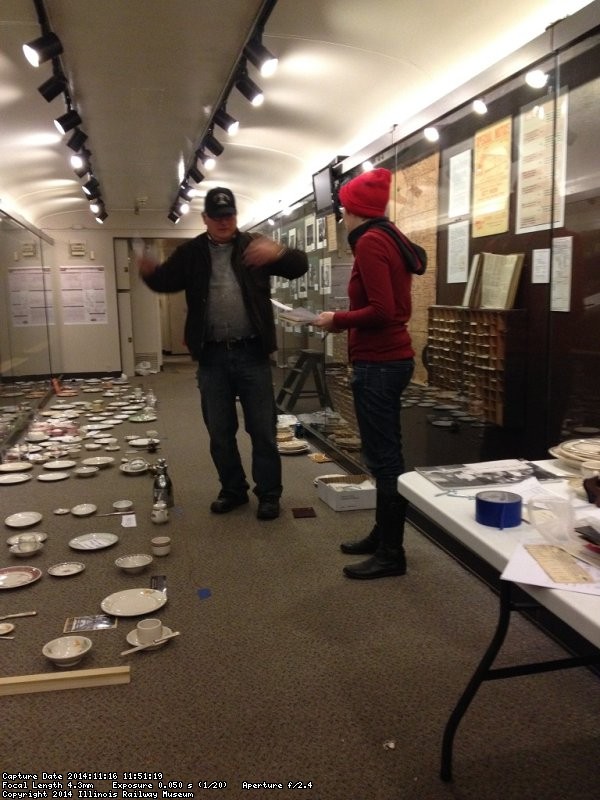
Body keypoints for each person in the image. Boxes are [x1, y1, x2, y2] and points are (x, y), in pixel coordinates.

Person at [137, 187, 309, 520]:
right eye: (216, 217)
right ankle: (233, 490)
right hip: (212, 357)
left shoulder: (254, 246)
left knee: (262, 429)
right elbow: (166, 281)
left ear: (235, 216)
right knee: (220, 431)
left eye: (228, 215)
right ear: (205, 219)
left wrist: (279, 252)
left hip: (252, 353)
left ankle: (269, 494)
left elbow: (298, 266)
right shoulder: (191, 252)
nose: (223, 221)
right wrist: (149, 272)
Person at [314, 168, 424, 578]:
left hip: (380, 364)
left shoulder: (373, 242)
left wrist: (335, 319)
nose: (341, 217)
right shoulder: (384, 238)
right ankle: (383, 535)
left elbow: (382, 311)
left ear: (356, 211)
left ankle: (391, 554)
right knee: (383, 456)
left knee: (385, 460)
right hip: (384, 361)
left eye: (343, 210)